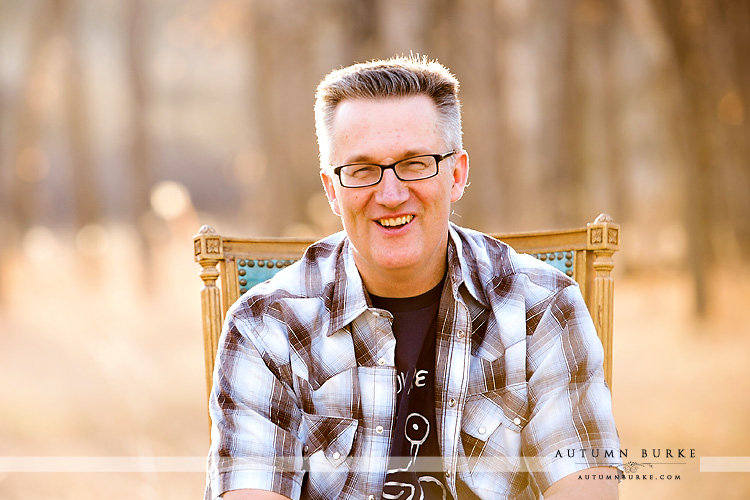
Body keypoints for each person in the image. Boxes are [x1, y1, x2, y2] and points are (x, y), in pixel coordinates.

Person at [205, 55, 621, 500]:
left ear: (457, 174)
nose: (390, 194)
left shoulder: (542, 306)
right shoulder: (267, 323)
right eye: (362, 170)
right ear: (331, 189)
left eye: (416, 163)